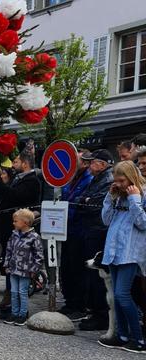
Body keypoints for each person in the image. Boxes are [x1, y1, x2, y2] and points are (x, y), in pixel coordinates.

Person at [98, 161, 146, 353]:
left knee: (122, 294)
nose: (118, 184)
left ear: (131, 177)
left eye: (121, 180)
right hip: (114, 250)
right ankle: (123, 335)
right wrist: (110, 197)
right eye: (116, 180)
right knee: (118, 298)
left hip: (130, 252)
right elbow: (106, 220)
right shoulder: (118, 195)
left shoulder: (141, 194)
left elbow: (143, 223)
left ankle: (139, 339)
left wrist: (135, 200)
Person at [0, 150, 41, 313]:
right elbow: (2, 195)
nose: (13, 165)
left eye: (16, 162)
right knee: (8, 262)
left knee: (17, 269)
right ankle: (9, 298)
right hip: (8, 230)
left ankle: (18, 306)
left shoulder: (32, 181)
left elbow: (15, 197)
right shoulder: (17, 179)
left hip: (19, 232)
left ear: (25, 164)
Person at [73, 149, 114, 330]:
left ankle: (101, 315)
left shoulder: (108, 180)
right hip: (90, 229)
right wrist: (84, 201)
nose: (89, 165)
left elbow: (93, 206)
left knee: (98, 276)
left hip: (99, 230)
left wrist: (85, 201)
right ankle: (95, 311)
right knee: (91, 274)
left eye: (92, 162)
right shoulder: (97, 179)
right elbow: (80, 201)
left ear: (102, 164)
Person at [59, 150, 93, 319]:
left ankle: (79, 305)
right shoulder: (69, 178)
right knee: (66, 267)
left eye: (76, 160)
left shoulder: (88, 180)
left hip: (79, 230)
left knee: (78, 269)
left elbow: (81, 204)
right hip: (65, 229)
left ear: (85, 163)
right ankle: (69, 301)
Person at [2, 209, 43, 326]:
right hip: (13, 269)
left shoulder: (34, 237)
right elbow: (8, 250)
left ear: (25, 222)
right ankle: (14, 313)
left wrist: (34, 270)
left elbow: (39, 256)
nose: (13, 223)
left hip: (26, 271)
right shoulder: (14, 235)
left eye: (16, 221)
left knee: (22, 292)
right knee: (14, 292)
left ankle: (23, 314)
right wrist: (6, 264)